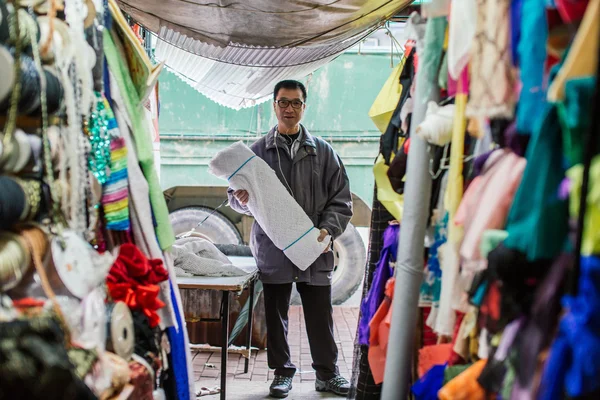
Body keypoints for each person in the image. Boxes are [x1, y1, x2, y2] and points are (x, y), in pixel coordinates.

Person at [227, 80, 353, 398]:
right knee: (276, 314)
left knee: (320, 315)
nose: (289, 109)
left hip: (314, 249)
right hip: (274, 249)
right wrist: (241, 198)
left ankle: (327, 374)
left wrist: (329, 230)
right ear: (274, 105)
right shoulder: (256, 152)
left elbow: (341, 199)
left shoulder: (323, 152)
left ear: (303, 108)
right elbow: (233, 194)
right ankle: (282, 374)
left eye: (296, 103)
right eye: (283, 102)